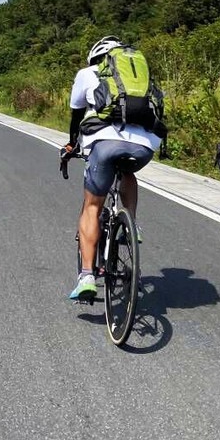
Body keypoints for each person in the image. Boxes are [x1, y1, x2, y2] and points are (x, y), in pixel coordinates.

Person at [64, 35, 162, 301]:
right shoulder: (139, 77)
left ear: (96, 57)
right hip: (144, 146)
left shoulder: (87, 73)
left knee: (92, 207)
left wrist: (72, 145)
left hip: (104, 144)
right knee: (127, 171)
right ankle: (131, 224)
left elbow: (77, 114)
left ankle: (86, 275)